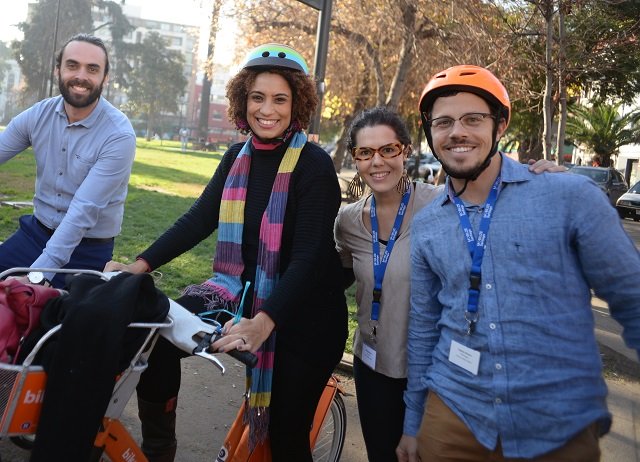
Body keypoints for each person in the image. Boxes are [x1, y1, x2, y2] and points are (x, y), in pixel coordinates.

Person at [105, 43, 348, 462]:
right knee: (156, 334)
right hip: (237, 294)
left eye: (279, 99)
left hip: (307, 315)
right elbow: (199, 219)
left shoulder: (314, 165)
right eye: (257, 97)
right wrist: (137, 266)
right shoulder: (236, 156)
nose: (266, 109)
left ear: (297, 104)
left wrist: (264, 322)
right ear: (243, 100)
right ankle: (159, 448)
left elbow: (308, 258)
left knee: (286, 438)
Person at [396, 64, 640, 462]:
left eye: (472, 119)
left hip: (556, 423)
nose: (457, 131)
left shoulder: (568, 196)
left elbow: (632, 298)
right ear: (430, 133)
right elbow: (424, 328)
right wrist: (413, 423)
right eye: (443, 122)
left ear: (500, 124)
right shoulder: (427, 225)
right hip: (453, 415)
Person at [334, 107, 564, 462]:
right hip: (373, 364)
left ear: (405, 151)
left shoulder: (444, 203)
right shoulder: (348, 221)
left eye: (388, 150)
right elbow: (338, 272)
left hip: (436, 372)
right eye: (365, 153)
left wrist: (543, 180)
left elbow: (503, 208)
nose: (377, 162)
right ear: (356, 158)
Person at [0, 33, 136, 288]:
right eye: (72, 65)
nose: (81, 76)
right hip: (34, 234)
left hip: (87, 250)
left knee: (50, 321)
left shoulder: (119, 135)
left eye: (92, 69)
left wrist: (37, 276)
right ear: (58, 70)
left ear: (105, 77)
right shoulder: (38, 115)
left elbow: (82, 213)